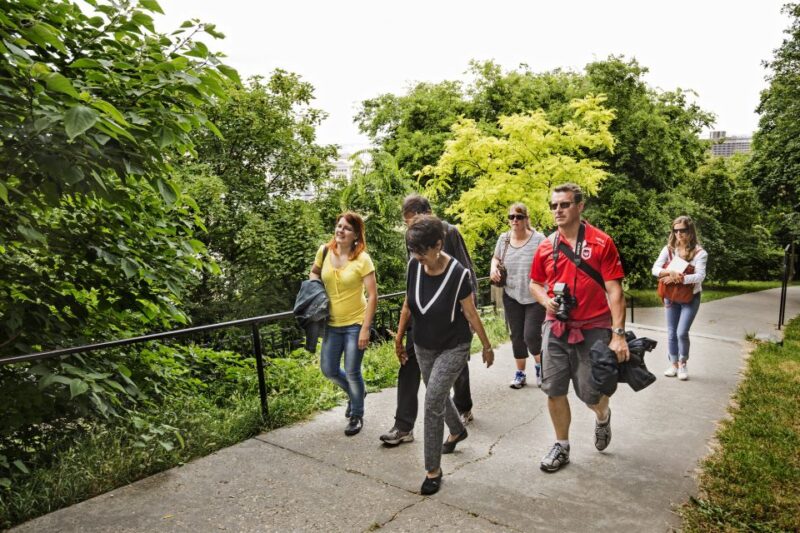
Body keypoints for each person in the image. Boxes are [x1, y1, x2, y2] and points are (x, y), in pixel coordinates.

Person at [529, 183, 629, 473]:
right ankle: (562, 445)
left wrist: (618, 335)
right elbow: (535, 283)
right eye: (554, 206)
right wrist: (546, 300)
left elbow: (615, 291)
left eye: (565, 204)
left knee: (591, 394)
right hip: (556, 327)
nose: (558, 210)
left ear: (580, 206)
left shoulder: (601, 243)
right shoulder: (546, 246)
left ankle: (602, 416)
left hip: (594, 328)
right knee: (553, 389)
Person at [395, 215, 494, 495]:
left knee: (432, 401)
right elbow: (408, 304)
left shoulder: (459, 274)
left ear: (438, 245)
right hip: (423, 345)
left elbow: (470, 312)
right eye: (413, 252)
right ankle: (458, 430)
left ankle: (432, 470)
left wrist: (486, 345)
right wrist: (399, 338)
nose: (417, 258)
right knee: (436, 394)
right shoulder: (414, 266)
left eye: (422, 252)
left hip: (454, 345)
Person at [379, 194, 477, 446]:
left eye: (412, 220)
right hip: (420, 314)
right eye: (407, 223)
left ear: (427, 213)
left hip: (449, 318)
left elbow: (467, 274)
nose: (410, 227)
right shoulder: (411, 237)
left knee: (455, 368)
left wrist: (470, 316)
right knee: (409, 365)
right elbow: (413, 275)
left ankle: (463, 406)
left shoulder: (449, 232)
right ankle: (403, 426)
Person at [310, 212, 378, 436]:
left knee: (351, 371)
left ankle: (356, 414)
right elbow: (314, 273)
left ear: (356, 235)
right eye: (339, 226)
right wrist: (316, 291)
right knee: (328, 369)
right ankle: (357, 393)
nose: (340, 230)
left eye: (347, 228)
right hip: (331, 323)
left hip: (355, 323)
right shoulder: (324, 251)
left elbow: (373, 295)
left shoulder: (363, 259)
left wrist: (365, 328)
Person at [490, 202, 546, 389]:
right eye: (511, 217)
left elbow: (550, 262)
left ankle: (541, 368)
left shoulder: (539, 239)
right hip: (512, 294)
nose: (515, 220)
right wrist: (493, 268)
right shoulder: (504, 239)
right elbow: (496, 258)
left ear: (526, 219)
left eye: (519, 217)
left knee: (531, 335)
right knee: (516, 336)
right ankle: (520, 374)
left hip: (535, 296)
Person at [651, 216, 708, 381]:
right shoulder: (669, 249)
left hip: (690, 298)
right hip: (671, 297)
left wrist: (679, 278)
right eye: (675, 230)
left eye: (682, 230)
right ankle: (674, 364)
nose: (678, 234)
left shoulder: (700, 253)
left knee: (681, 332)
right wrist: (669, 272)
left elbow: (700, 276)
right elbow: (655, 269)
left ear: (690, 231)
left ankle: (683, 363)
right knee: (671, 333)